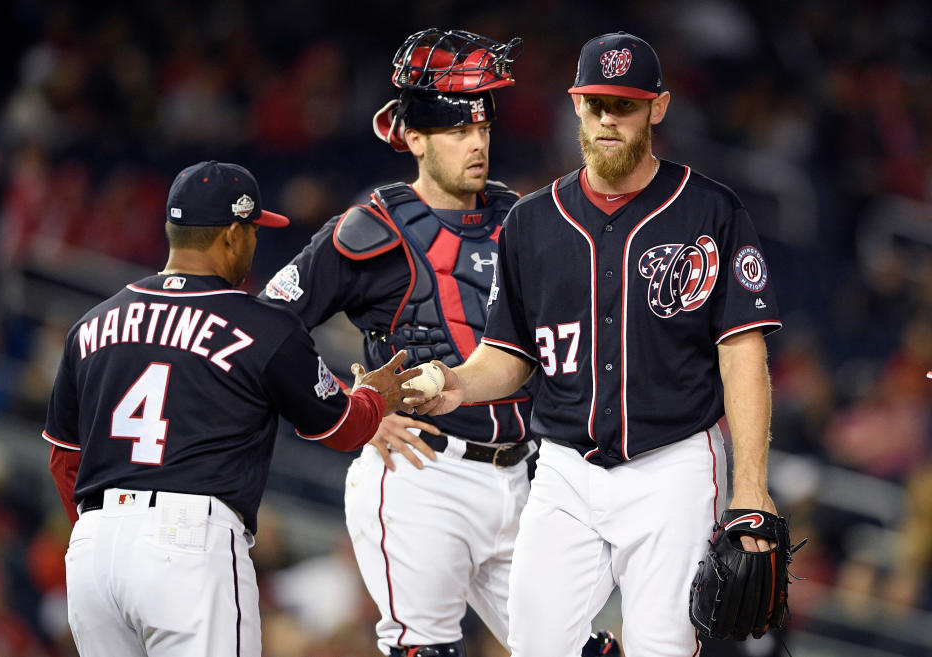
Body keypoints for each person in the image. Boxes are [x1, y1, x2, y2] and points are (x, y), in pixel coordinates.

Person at [417, 31, 784, 657]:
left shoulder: (711, 212)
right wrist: (455, 384)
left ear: (658, 108)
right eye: (596, 103)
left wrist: (751, 481)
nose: (609, 118)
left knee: (662, 646)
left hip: (673, 465)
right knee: (534, 643)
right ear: (576, 104)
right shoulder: (529, 222)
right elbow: (510, 355)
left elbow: (742, 352)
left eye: (626, 104)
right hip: (565, 468)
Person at [261, 28, 616, 657]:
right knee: (425, 650)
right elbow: (266, 327)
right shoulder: (375, 227)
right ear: (414, 138)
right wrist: (348, 412)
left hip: (524, 476)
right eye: (457, 132)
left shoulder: (525, 218)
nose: (476, 143)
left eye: (481, 128)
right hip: (422, 474)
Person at [41, 160, 423, 657]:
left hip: (94, 546)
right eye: (253, 231)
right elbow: (342, 428)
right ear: (232, 235)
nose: (255, 243)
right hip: (187, 542)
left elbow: (63, 460)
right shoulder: (263, 325)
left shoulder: (93, 322)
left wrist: (105, 534)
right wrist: (376, 397)